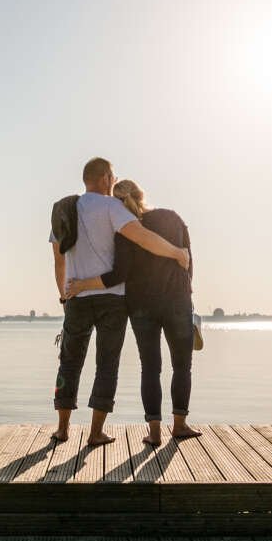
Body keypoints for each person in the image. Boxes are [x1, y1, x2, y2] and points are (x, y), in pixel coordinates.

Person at [51, 157, 189, 447]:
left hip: (76, 297)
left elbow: (59, 260)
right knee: (107, 365)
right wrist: (177, 253)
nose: (113, 182)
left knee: (68, 363)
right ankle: (95, 432)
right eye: (111, 177)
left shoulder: (64, 208)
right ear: (104, 178)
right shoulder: (112, 207)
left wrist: (65, 297)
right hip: (112, 300)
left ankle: (62, 429)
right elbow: (142, 237)